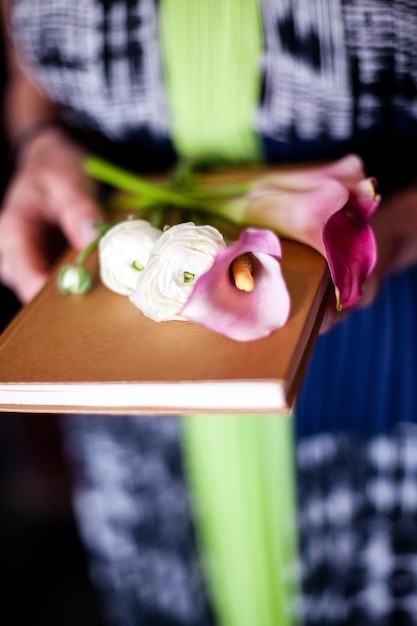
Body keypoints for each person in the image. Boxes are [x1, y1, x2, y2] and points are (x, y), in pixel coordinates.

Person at [2, 2, 417, 625]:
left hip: (383, 359)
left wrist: (400, 230)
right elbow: (28, 73)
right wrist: (38, 141)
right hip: (138, 398)